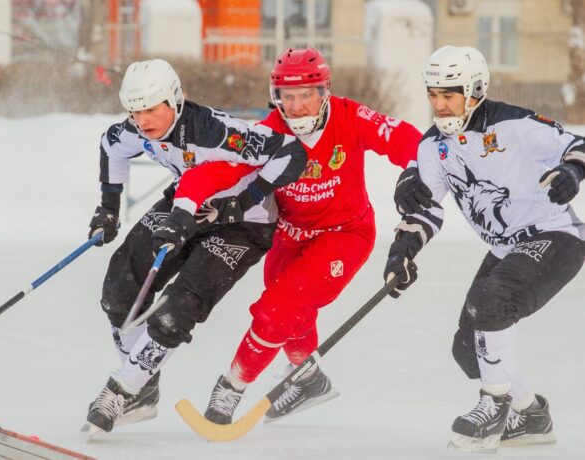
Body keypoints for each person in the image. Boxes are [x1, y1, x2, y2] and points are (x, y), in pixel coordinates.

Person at [185, 47, 427, 425]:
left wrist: (417, 169)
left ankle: (231, 386)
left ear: (324, 91)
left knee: (277, 311)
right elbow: (222, 169)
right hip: (291, 235)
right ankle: (310, 380)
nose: (297, 106)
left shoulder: (349, 116)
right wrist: (186, 201)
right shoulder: (268, 132)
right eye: (288, 96)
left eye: (306, 95)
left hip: (345, 235)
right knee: (290, 317)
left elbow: (404, 138)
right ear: (276, 95)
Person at [84, 58, 307, 434]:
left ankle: (124, 388)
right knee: (118, 290)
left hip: (242, 224)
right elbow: (111, 146)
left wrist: (246, 198)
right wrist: (108, 207)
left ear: (175, 99)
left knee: (177, 307)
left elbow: (290, 152)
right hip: (184, 205)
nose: (144, 121)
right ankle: (143, 383)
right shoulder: (136, 130)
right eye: (135, 112)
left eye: (152, 110)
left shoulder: (217, 132)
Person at [385, 45, 585, 452]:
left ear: (474, 91)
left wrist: (572, 170)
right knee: (466, 348)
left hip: (555, 235)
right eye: (433, 95)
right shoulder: (432, 147)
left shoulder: (513, 124)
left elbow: (576, 145)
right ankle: (529, 414)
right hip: (505, 247)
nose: (439, 106)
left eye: (449, 95)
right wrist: (402, 250)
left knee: (491, 300)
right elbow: (425, 209)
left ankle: (494, 405)